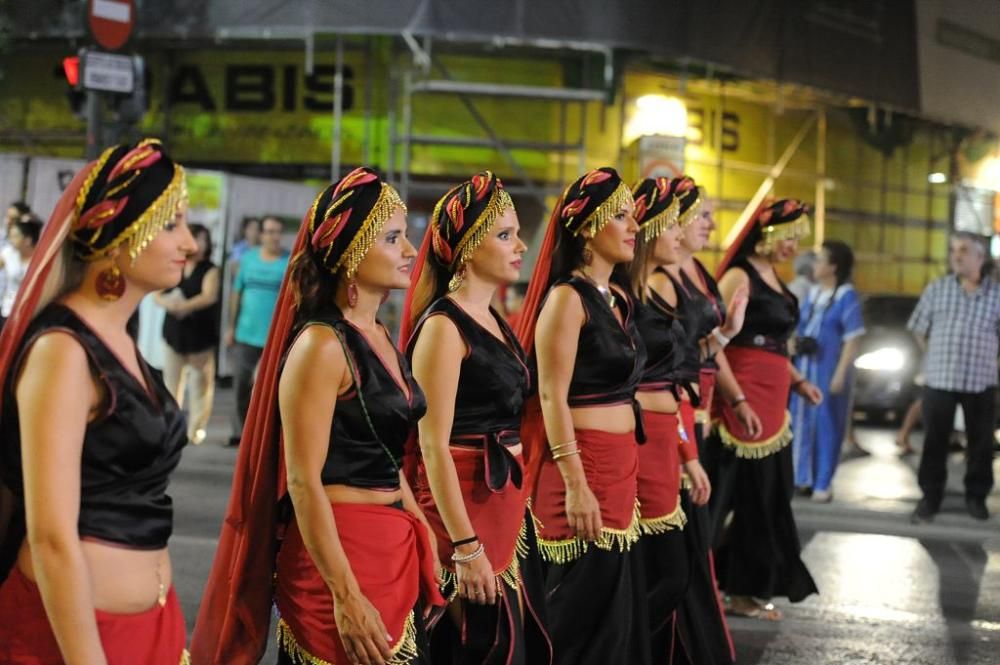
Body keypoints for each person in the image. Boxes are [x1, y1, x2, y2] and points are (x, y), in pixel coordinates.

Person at [191, 167, 445, 665]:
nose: (412, 252)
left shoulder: (378, 335)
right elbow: (303, 482)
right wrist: (346, 595)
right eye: (394, 239)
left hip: (391, 546)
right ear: (350, 252)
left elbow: (388, 451)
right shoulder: (321, 345)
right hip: (341, 552)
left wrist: (421, 532)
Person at [0, 139, 194, 664]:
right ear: (118, 235)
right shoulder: (62, 351)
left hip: (153, 626)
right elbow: (51, 537)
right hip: (72, 638)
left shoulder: (120, 342)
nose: (191, 244)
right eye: (172, 224)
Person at [400, 171, 551, 664]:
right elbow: (431, 446)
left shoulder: (492, 318)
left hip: (499, 502)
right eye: (505, 235)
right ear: (467, 248)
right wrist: (465, 545)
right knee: (470, 647)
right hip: (462, 505)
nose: (521, 246)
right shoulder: (444, 326)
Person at [516, 167, 650, 665]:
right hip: (582, 473)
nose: (634, 227)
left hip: (619, 474)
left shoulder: (615, 300)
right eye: (621, 215)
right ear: (587, 227)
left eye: (634, 216)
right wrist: (575, 483)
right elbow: (551, 396)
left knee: (611, 624)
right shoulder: (567, 299)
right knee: (575, 623)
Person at [712, 198, 821, 620]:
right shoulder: (739, 275)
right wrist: (736, 398)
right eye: (789, 238)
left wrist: (799, 381)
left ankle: (744, 589)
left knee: (769, 499)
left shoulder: (774, 276)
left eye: (797, 240)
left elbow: (774, 347)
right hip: (741, 402)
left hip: (775, 406)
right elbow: (717, 340)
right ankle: (719, 588)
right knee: (732, 499)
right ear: (768, 235)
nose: (794, 247)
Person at [659, 177, 741, 664]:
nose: (710, 224)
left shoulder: (698, 273)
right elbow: (666, 362)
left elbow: (698, 352)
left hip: (697, 411)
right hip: (676, 413)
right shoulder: (658, 280)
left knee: (695, 530)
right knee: (682, 535)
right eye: (702, 216)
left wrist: (728, 336)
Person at [907, 231, 1000, 522]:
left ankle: (976, 496)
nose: (956, 256)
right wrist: (936, 356)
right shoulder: (938, 289)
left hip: (981, 382)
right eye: (953, 250)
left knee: (980, 443)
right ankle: (930, 497)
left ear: (979, 257)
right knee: (935, 442)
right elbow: (919, 329)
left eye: (963, 250)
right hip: (940, 380)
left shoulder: (996, 295)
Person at [790, 240, 865, 502]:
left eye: (821, 260)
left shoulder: (846, 296)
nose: (815, 264)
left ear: (834, 267)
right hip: (805, 368)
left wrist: (840, 374)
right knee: (801, 423)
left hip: (828, 370)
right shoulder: (812, 294)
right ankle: (802, 478)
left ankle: (823, 481)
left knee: (827, 425)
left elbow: (852, 339)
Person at [226, 215, 289, 446]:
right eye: (269, 231)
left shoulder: (288, 261)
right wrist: (231, 327)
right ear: (261, 234)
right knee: (241, 385)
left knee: (271, 390)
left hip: (275, 337)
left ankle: (267, 438)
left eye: (277, 231)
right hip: (246, 334)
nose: (274, 236)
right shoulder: (248, 260)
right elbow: (236, 294)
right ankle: (240, 434)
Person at [156, 223, 221, 445]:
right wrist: (168, 303)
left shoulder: (210, 269)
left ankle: (196, 430)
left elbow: (209, 296)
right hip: (174, 333)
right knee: (171, 383)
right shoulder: (176, 263)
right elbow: (158, 292)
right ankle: (171, 426)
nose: (196, 243)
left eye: (201, 239)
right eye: (194, 238)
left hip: (200, 335)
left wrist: (184, 307)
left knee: (200, 385)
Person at [0, 216, 42, 329]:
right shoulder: (9, 253)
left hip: (29, 314)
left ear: (27, 240)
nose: (11, 240)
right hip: (7, 310)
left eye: (15, 236)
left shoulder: (40, 260)